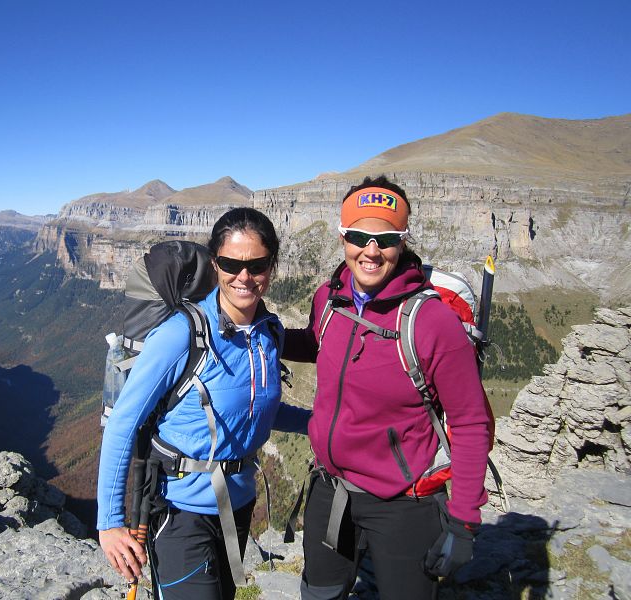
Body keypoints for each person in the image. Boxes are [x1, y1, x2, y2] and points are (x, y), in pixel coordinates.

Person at [284, 175, 492, 599]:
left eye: (386, 238)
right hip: (331, 487)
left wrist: (463, 523)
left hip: (403, 504)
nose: (371, 250)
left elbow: (471, 422)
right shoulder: (329, 298)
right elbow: (316, 342)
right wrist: (263, 332)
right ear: (343, 236)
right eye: (360, 236)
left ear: (403, 240)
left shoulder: (431, 322)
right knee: (320, 593)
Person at [97, 207, 311, 599]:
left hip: (239, 506)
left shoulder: (267, 334)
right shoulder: (182, 335)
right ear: (216, 264)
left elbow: (257, 409)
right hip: (180, 512)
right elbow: (123, 423)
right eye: (231, 263)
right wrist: (110, 523)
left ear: (272, 267)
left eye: (257, 264)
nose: (244, 276)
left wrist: (321, 424)